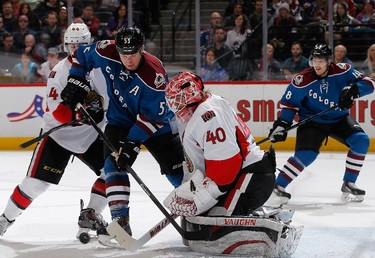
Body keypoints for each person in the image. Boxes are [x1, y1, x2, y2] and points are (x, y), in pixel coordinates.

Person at [59, 26, 185, 236]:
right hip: (120, 119)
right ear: (116, 49)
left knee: (176, 172)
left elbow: (152, 117)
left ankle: (200, 209)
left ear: (142, 49)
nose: (128, 60)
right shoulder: (105, 50)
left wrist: (132, 144)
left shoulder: (154, 76)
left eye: (133, 54)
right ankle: (120, 222)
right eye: (123, 54)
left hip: (157, 124)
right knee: (113, 165)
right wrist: (76, 79)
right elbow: (79, 56)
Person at [0, 23, 108, 238]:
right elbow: (56, 111)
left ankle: (91, 214)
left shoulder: (104, 68)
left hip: (92, 136)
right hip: (59, 136)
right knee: (35, 185)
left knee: (113, 173)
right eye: (71, 45)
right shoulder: (59, 73)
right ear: (65, 45)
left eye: (81, 45)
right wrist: (81, 116)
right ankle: (5, 220)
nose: (75, 50)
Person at [267, 43, 375, 205]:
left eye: (321, 61)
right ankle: (278, 185)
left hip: (339, 119)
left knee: (361, 140)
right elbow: (289, 104)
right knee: (307, 155)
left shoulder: (343, 70)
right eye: (314, 61)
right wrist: (282, 125)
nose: (317, 65)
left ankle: (349, 183)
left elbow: (370, 83)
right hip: (313, 121)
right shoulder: (302, 80)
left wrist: (353, 91)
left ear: (329, 62)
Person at [163, 70, 276, 223]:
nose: (175, 107)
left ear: (190, 95)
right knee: (199, 221)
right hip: (243, 174)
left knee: (214, 226)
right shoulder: (209, 103)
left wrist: (201, 198)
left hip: (250, 177)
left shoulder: (207, 116)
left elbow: (226, 168)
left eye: (177, 101)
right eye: (172, 102)